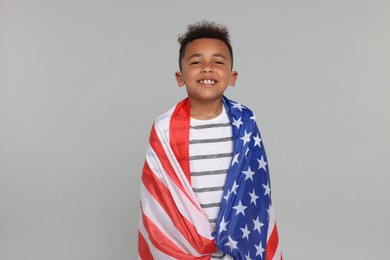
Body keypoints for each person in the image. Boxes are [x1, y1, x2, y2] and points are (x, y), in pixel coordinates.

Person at [138, 20, 282, 260]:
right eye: (196, 62)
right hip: (186, 244)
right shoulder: (165, 127)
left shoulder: (245, 122)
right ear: (180, 77)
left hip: (238, 241)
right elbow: (159, 197)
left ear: (232, 76)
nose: (207, 68)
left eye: (218, 61)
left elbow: (255, 188)